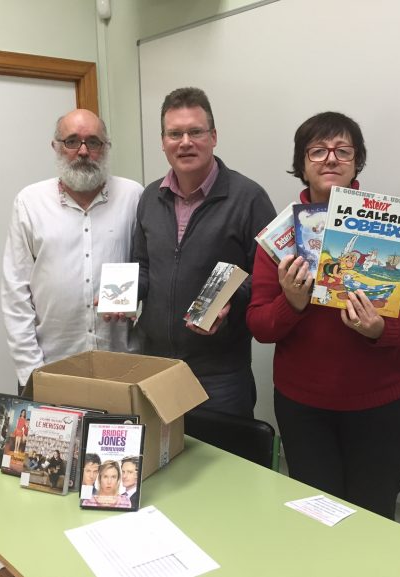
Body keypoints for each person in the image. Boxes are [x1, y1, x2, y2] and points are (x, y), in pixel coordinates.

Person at [246, 111, 400, 520]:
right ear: (302, 164)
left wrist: (383, 330)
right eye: (317, 151)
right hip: (304, 409)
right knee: (319, 520)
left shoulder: (389, 223)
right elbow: (260, 326)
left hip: (382, 406)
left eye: (343, 151)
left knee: (374, 519)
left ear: (357, 161)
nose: (330, 159)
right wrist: (292, 304)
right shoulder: (281, 235)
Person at [133, 87, 276, 417]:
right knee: (163, 462)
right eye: (175, 133)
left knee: (223, 463)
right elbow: (141, 265)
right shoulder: (150, 197)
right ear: (163, 141)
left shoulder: (248, 197)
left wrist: (231, 299)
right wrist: (119, 296)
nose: (185, 142)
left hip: (220, 373)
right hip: (156, 367)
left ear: (213, 136)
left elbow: (270, 278)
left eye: (195, 131)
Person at [2, 108, 144, 389]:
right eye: (71, 141)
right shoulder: (30, 203)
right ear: (55, 146)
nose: (82, 151)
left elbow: (150, 269)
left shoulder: (134, 196)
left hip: (122, 366)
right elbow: (15, 292)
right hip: (52, 366)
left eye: (93, 142)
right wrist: (32, 372)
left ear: (106, 147)